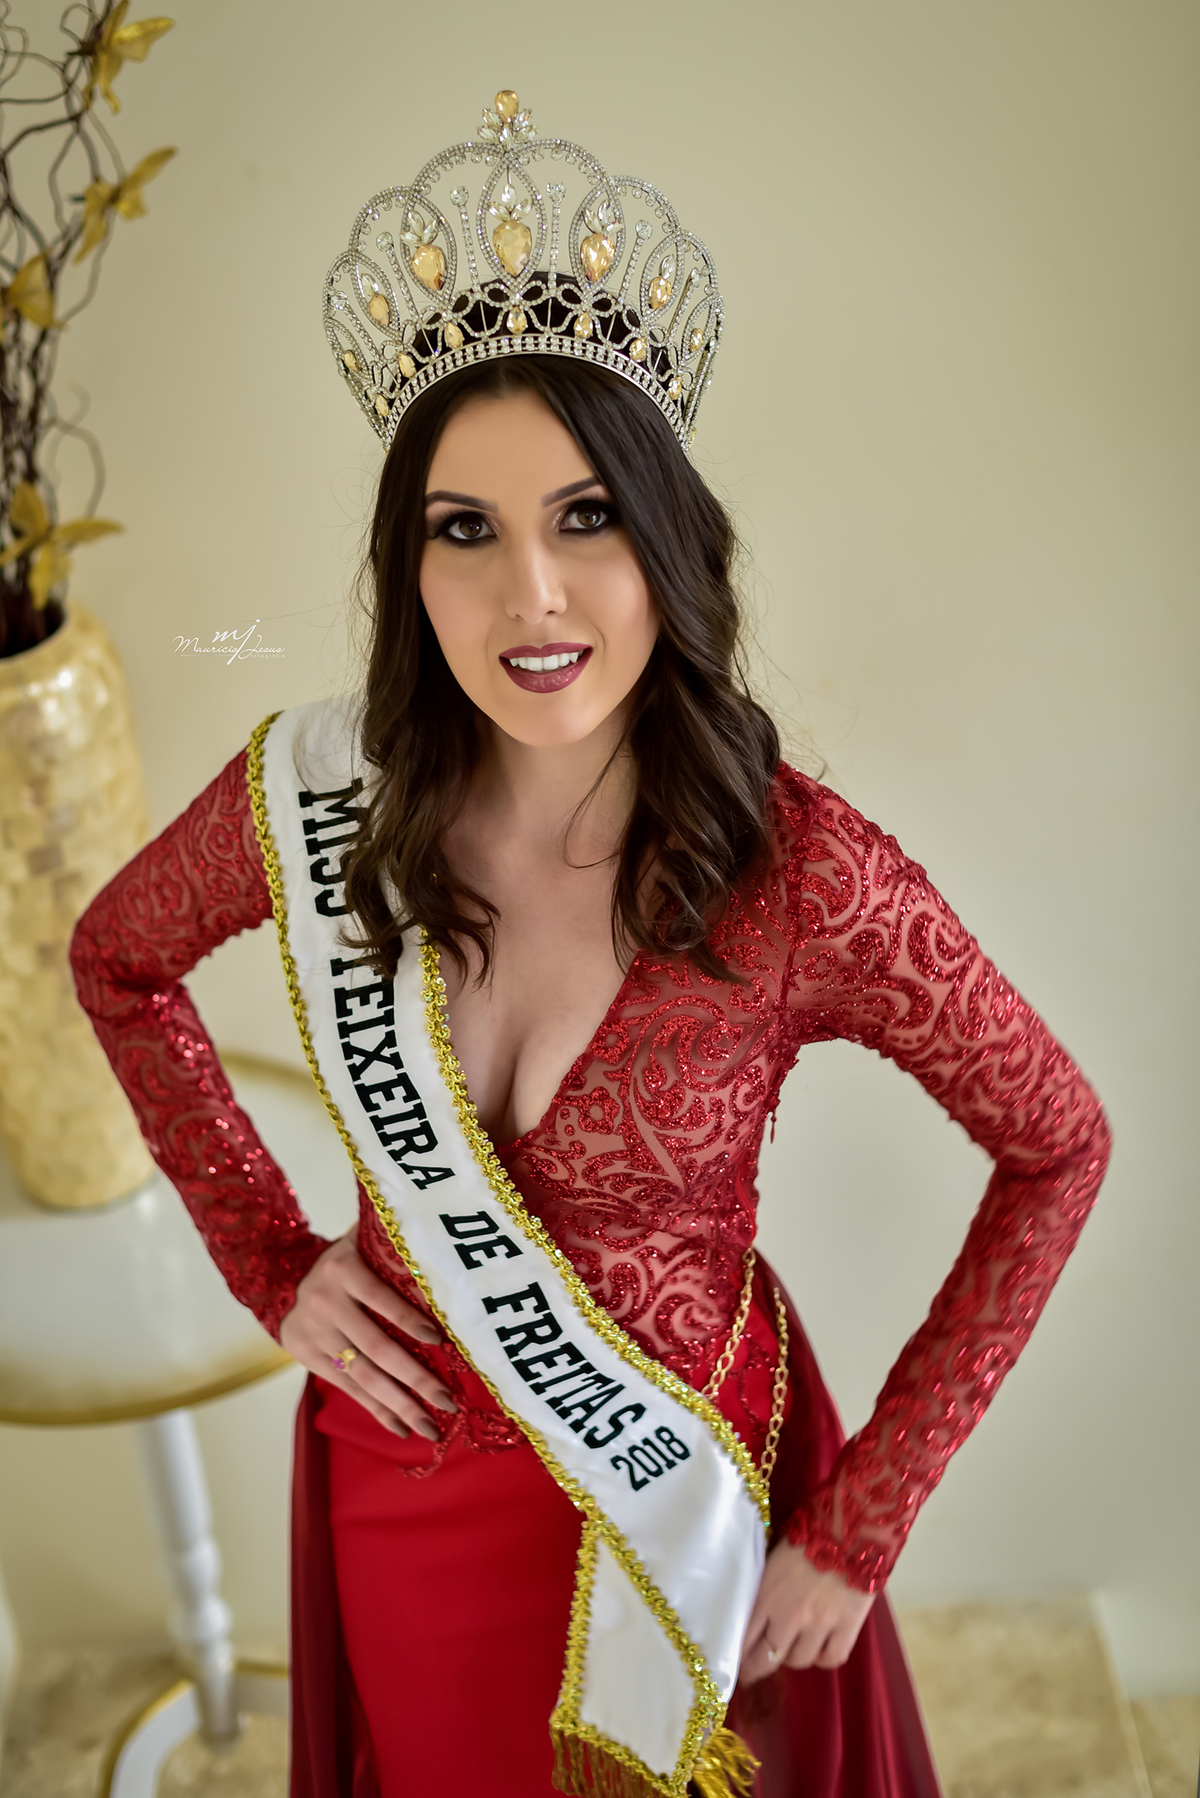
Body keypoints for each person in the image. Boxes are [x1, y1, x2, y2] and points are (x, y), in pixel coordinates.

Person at [70, 92, 1109, 1798]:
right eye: (463, 528)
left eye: (586, 516)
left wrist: (861, 1522)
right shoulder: (320, 797)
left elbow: (1060, 1143)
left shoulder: (800, 873)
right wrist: (269, 1258)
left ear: (666, 538)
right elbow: (116, 959)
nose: (530, 597)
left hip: (683, 1527)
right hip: (403, 1502)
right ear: (409, 566)